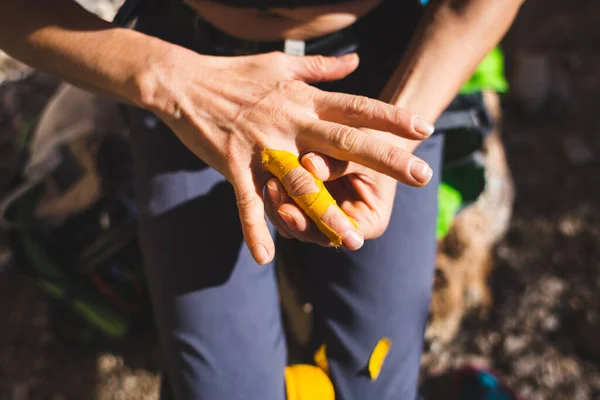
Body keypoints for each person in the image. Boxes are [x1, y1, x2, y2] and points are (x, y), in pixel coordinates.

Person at [0, 0, 524, 398]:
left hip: (383, 69)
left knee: (374, 379)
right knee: (221, 387)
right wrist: (173, 84)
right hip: (195, 71)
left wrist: (393, 131)